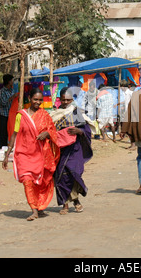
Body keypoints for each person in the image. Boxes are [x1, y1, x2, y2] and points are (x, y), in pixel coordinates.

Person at [2, 88, 60, 221]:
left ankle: (39, 207)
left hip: (40, 154)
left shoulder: (45, 115)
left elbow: (53, 132)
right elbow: (14, 135)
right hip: (24, 154)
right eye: (35, 99)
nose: (38, 102)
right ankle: (33, 210)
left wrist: (47, 134)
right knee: (27, 181)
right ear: (29, 99)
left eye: (40, 100)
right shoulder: (21, 116)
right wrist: (7, 155)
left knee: (40, 182)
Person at [51, 87, 94, 215]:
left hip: (74, 150)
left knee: (74, 174)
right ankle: (65, 204)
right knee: (60, 176)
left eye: (68, 100)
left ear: (72, 99)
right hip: (60, 150)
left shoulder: (76, 113)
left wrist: (79, 131)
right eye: (63, 100)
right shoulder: (55, 114)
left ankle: (75, 200)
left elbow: (87, 131)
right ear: (59, 99)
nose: (65, 102)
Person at [0, 74, 18, 148]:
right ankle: (2, 148)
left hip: (12, 115)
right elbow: (3, 102)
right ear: (8, 81)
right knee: (3, 133)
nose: (13, 82)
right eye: (12, 80)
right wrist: (13, 97)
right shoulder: (2, 91)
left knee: (12, 131)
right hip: (5, 115)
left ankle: (10, 146)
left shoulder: (12, 90)